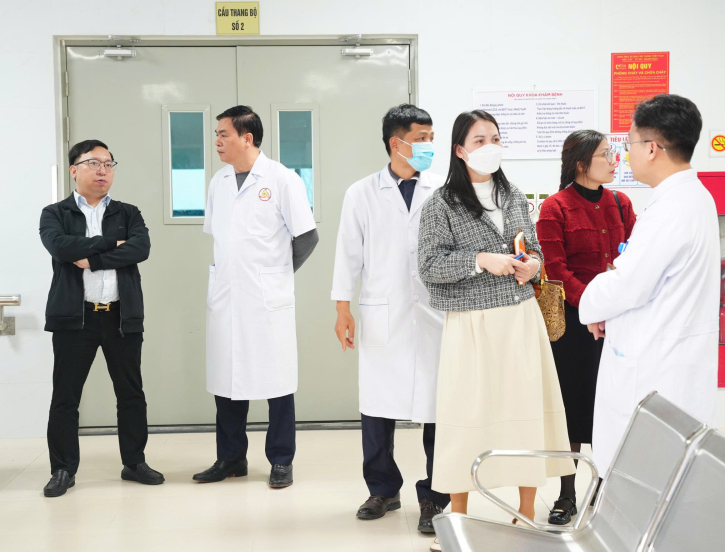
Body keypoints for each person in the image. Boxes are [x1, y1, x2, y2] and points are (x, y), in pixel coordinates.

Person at [418, 110, 574, 551]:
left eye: (496, 138)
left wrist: (533, 265)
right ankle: (459, 519)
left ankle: (525, 515)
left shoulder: (513, 194)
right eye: (479, 139)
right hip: (471, 324)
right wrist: (480, 260)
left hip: (520, 319)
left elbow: (535, 249)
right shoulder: (442, 203)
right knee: (465, 417)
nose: (490, 146)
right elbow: (429, 266)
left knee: (527, 412)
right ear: (460, 150)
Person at [579, 94, 719, 480]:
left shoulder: (672, 209)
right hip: (672, 358)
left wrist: (592, 304)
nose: (626, 154)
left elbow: (628, 285)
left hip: (655, 368)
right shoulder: (693, 198)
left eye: (629, 144)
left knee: (643, 476)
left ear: (652, 148)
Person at [331, 104, 450, 534]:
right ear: (395, 143)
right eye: (421, 139)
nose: (428, 146)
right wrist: (342, 308)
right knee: (377, 405)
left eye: (431, 137)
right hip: (382, 311)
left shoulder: (444, 190)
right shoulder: (361, 193)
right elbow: (348, 253)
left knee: (438, 406)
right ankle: (382, 489)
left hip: (437, 311)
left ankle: (435, 496)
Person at [193, 106, 318, 488]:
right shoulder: (218, 182)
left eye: (224, 134)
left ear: (247, 138)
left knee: (277, 380)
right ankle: (231, 458)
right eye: (216, 134)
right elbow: (221, 238)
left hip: (266, 299)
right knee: (226, 378)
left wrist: (275, 275)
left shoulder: (282, 179)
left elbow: (307, 236)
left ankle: (281, 459)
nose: (217, 141)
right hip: (226, 295)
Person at [39, 139, 164, 497]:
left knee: (131, 394)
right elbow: (60, 246)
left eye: (108, 164)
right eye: (93, 163)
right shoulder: (55, 213)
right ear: (74, 170)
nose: (102, 171)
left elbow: (141, 248)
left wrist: (91, 257)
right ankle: (63, 469)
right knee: (66, 397)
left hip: (121, 317)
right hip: (74, 319)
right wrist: (112, 244)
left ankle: (134, 462)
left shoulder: (128, 213)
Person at [536, 130, 636, 524]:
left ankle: (607, 489)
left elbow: (633, 259)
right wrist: (593, 310)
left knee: (614, 407)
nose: (614, 161)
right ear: (581, 163)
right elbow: (556, 270)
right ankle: (567, 495)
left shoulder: (621, 203)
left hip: (617, 323)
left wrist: (611, 309)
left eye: (613, 153)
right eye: (605, 154)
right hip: (576, 326)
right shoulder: (555, 208)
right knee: (573, 410)